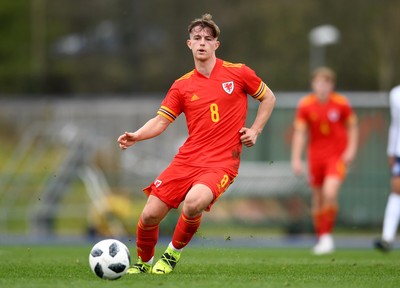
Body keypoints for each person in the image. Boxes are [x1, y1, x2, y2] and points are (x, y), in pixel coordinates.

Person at [117, 13, 275, 274]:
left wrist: (255, 130)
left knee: (193, 203)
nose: (202, 42)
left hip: (222, 162)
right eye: (197, 38)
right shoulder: (181, 85)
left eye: (208, 39)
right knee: (149, 215)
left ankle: (171, 255)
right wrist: (136, 135)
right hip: (188, 159)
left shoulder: (238, 73)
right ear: (189, 44)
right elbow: (160, 121)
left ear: (216, 45)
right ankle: (143, 264)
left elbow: (268, 98)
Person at [291, 67, 358, 255]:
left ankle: (327, 236)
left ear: (332, 85)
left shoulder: (341, 103)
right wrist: (296, 158)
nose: (322, 86)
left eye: (326, 82)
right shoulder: (305, 105)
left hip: (336, 157)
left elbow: (352, 127)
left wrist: (351, 150)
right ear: (313, 84)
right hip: (315, 158)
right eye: (319, 82)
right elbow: (300, 134)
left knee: (330, 192)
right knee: (318, 198)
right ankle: (321, 237)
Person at [374, 85, 400, 252]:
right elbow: (396, 124)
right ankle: (387, 237)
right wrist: (391, 150)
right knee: (397, 189)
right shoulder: (396, 94)